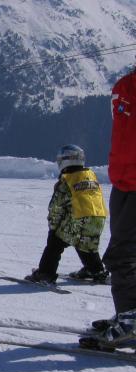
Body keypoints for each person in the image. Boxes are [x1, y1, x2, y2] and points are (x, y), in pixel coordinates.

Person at [81, 67, 136, 349]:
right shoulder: (126, 85)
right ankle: (129, 316)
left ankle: (131, 324)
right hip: (124, 180)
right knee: (125, 253)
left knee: (123, 255)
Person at [25, 145, 107, 284]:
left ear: (64, 161)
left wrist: (53, 227)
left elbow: (56, 207)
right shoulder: (90, 176)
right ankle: (95, 270)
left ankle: (45, 273)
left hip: (80, 218)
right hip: (99, 218)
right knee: (85, 242)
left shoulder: (67, 180)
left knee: (55, 242)